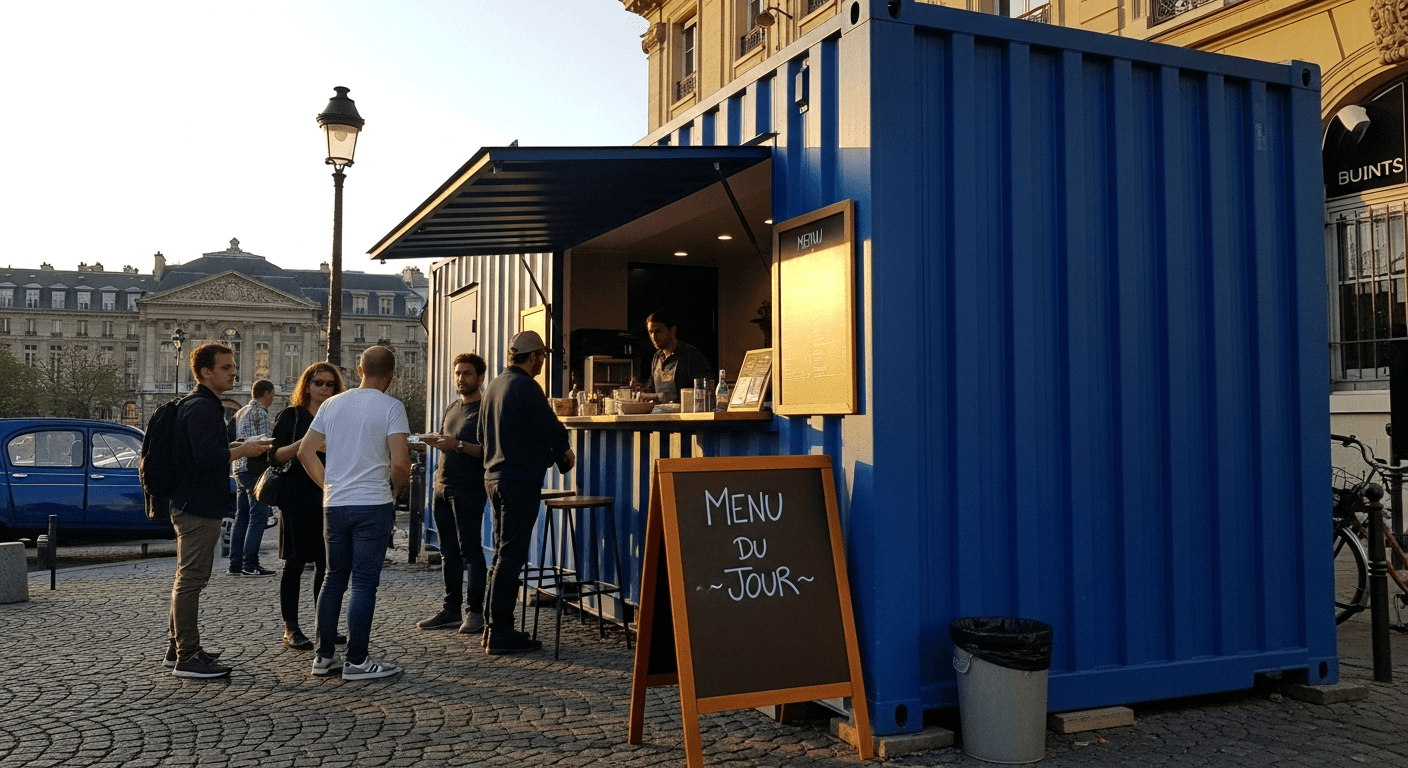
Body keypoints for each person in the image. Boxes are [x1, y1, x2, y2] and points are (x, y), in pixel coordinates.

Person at [298, 346, 410, 681]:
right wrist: (393, 493)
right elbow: (400, 464)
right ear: (391, 375)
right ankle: (357, 661)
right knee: (363, 583)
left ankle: (323, 656)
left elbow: (305, 452)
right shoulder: (391, 407)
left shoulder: (331, 404)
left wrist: (328, 485)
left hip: (336, 503)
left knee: (333, 578)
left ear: (359, 370)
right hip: (373, 502)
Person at [167, 342, 273, 678]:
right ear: (205, 372)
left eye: (233, 367)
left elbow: (206, 449)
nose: (233, 373)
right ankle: (187, 656)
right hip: (197, 505)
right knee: (191, 580)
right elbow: (206, 457)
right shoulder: (201, 407)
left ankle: (177, 648)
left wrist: (238, 446)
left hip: (194, 501)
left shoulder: (203, 404)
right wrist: (243, 451)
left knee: (187, 578)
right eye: (226, 368)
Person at [478, 331, 574, 655]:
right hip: (518, 481)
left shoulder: (494, 386)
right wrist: (564, 452)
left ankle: (491, 628)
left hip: (493, 478)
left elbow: (481, 435)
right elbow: (550, 427)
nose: (542, 363)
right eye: (542, 357)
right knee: (511, 556)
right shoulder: (526, 386)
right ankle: (501, 632)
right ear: (532, 357)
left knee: (500, 554)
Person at [269, 362, 345, 651]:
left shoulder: (338, 415)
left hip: (329, 494)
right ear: (307, 386)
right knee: (295, 563)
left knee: (326, 565)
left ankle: (324, 625)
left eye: (330, 384)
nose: (324, 388)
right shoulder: (293, 415)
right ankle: (291, 629)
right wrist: (306, 443)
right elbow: (275, 456)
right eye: (318, 383)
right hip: (297, 496)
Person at [418, 353, 489, 635]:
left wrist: (457, 445)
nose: (461, 378)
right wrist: (432, 441)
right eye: (458, 373)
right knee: (448, 552)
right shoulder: (452, 407)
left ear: (480, 377)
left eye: (467, 373)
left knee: (470, 550)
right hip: (442, 487)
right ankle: (451, 610)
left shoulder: (485, 410)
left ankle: (475, 612)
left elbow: (490, 452)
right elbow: (446, 441)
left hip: (469, 489)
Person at [230, 378, 276, 577]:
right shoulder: (260, 413)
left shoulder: (241, 412)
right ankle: (250, 564)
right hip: (255, 469)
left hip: (239, 467)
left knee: (242, 517)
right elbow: (265, 443)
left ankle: (235, 563)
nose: (272, 399)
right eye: (272, 395)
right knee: (259, 516)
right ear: (267, 393)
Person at [642, 310, 712, 404]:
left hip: (685, 411)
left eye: (658, 331)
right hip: (660, 411)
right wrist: (642, 390)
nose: (653, 337)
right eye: (651, 332)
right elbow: (652, 387)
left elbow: (707, 387)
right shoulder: (657, 357)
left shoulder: (690, 355)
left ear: (673, 330)